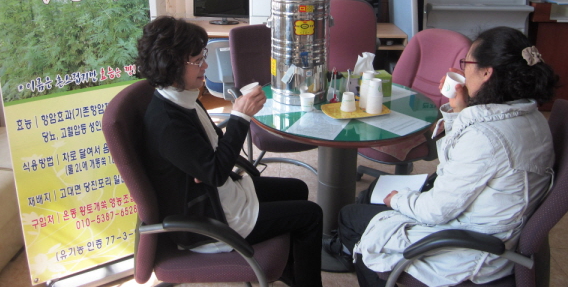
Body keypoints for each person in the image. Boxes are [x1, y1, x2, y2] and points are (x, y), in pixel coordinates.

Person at [325, 26, 559, 287]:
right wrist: (459, 110)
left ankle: (355, 256)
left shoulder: (486, 137)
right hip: (482, 222)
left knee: (353, 218)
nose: (462, 71)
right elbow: (457, 163)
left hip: (467, 247)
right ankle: (347, 247)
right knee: (368, 197)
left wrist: (398, 200)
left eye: (466, 63)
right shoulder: (529, 116)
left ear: (486, 72)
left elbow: (436, 210)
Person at [136, 16, 323, 287]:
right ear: (171, 64)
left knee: (296, 188)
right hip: (208, 218)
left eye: (203, 56)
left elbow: (212, 152)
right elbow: (216, 173)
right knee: (311, 215)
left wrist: (206, 165)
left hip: (214, 193)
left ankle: (291, 271)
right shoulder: (168, 122)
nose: (205, 65)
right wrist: (240, 118)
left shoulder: (182, 98)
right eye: (197, 60)